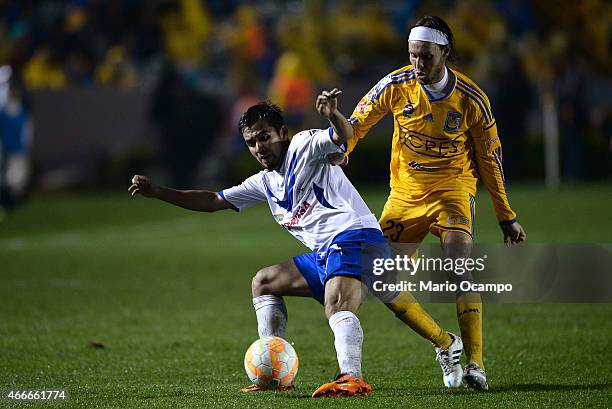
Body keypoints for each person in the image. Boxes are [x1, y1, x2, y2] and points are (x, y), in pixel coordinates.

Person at [129, 90, 463, 397]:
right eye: (251, 142)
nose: (259, 147)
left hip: (356, 236)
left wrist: (332, 115)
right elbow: (212, 200)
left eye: (264, 137)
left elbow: (342, 137)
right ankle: (273, 373)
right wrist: (159, 192)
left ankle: (351, 377)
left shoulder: (306, 145)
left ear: (282, 133)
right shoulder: (263, 181)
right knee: (265, 282)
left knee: (339, 304)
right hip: (326, 253)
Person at [345, 16, 527, 391]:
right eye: (412, 56)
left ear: (445, 52)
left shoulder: (473, 100)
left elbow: (491, 160)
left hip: (453, 191)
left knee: (459, 265)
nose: (417, 65)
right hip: (405, 196)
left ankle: (476, 363)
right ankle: (446, 343)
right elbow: (357, 122)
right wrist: (341, 147)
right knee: (379, 279)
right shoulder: (396, 85)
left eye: (425, 56)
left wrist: (505, 215)